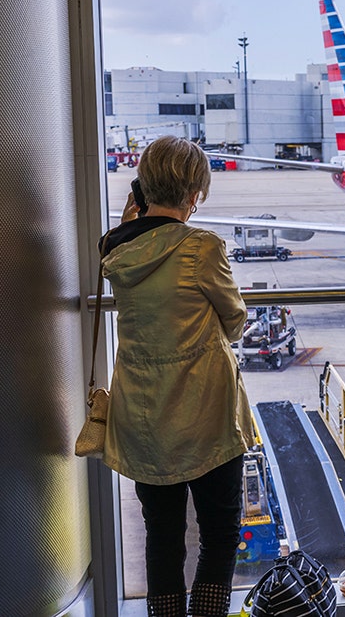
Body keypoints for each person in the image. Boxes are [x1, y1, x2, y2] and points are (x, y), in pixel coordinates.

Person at [100, 135, 255, 617]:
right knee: (220, 533)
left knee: (162, 537)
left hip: (143, 417)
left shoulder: (116, 251)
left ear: (142, 188)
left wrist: (135, 221)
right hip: (205, 415)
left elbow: (133, 244)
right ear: (194, 192)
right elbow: (235, 320)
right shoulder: (200, 248)